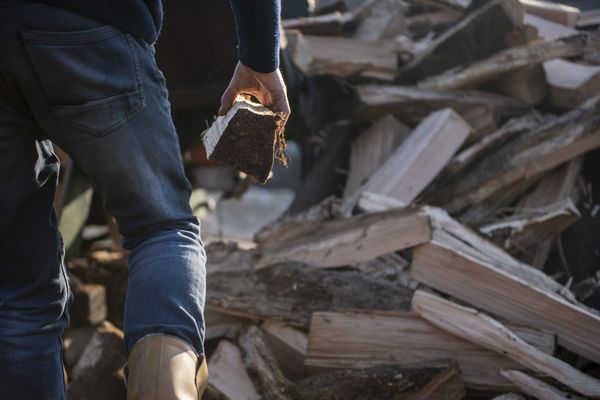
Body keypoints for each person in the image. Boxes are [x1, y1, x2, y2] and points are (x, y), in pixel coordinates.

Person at [0, 0, 289, 398]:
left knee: (17, 295)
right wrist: (260, 56)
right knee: (162, 228)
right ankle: (164, 389)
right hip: (91, 26)